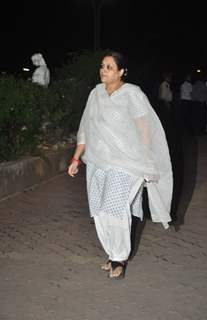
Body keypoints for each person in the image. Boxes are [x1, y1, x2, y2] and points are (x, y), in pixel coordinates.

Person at [68, 52, 173, 279]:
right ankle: (112, 253)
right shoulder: (95, 93)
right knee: (100, 210)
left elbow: (145, 130)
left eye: (109, 67)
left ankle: (120, 258)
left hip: (127, 162)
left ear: (122, 71)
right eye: (102, 66)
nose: (103, 70)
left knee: (113, 208)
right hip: (97, 161)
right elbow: (85, 128)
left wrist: (146, 161)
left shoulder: (132, 94)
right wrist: (76, 158)